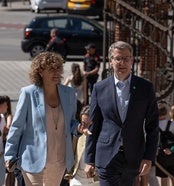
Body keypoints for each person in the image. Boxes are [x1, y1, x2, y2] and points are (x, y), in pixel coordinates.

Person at [4, 51, 90, 185]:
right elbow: (17, 126)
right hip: (33, 159)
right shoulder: (28, 93)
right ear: (40, 71)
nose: (56, 73)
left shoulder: (69, 93)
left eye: (58, 68)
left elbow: (70, 123)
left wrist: (78, 128)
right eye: (51, 69)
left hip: (59, 160)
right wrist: (9, 155)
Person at [84, 41, 159, 186]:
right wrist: (89, 159)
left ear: (132, 60)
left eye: (126, 58)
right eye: (118, 58)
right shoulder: (99, 88)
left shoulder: (145, 87)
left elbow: (152, 127)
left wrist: (148, 157)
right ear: (110, 61)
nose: (122, 62)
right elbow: (93, 125)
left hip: (133, 157)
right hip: (106, 156)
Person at [156, 103, 174, 186]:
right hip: (172, 153)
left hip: (161, 154)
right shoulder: (172, 124)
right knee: (173, 176)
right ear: (166, 113)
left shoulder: (156, 126)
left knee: (163, 177)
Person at [69, 105, 99, 186]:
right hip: (78, 178)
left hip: (94, 180)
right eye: (83, 123)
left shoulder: (101, 137)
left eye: (89, 124)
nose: (86, 127)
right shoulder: (78, 134)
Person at [0, 96, 9, 185]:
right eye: (5, 105)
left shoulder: (2, 118)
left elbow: (5, 131)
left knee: (1, 181)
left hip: (1, 155)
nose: (7, 107)